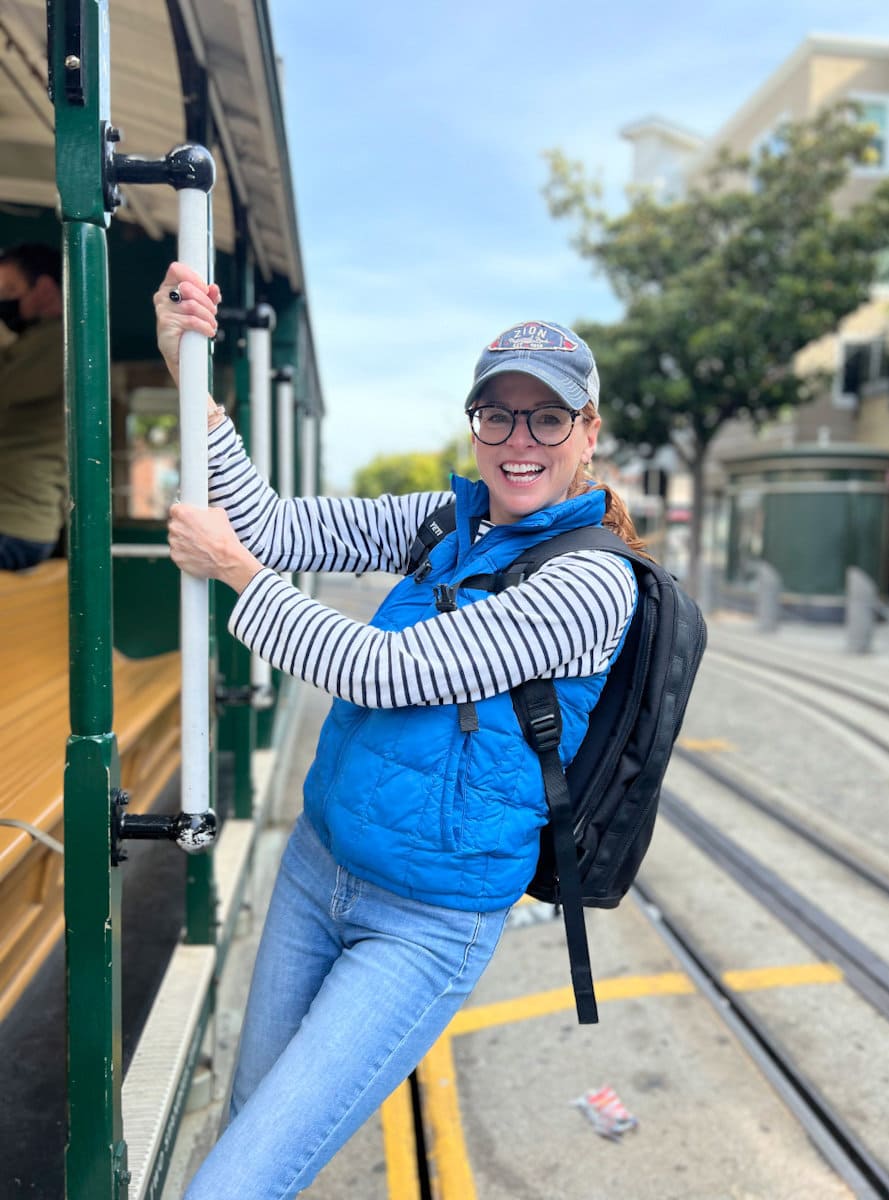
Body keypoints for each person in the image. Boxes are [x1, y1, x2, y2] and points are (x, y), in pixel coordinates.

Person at [155, 264, 645, 1199]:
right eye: (497, 415)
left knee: (235, 1183)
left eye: (548, 417)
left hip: (425, 924)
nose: (519, 439)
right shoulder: (440, 521)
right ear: (475, 425)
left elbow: (384, 672)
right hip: (315, 869)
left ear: (589, 434)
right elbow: (266, 523)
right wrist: (194, 379)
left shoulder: (592, 584)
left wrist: (237, 578)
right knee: (245, 1137)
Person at [0, 243, 65, 570]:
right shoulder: (31, 341)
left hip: (15, 528)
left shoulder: (58, 340)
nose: (5, 302)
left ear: (43, 288)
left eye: (11, 290)